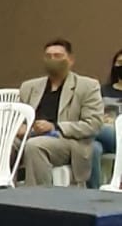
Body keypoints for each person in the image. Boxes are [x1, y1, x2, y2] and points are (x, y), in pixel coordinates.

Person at [18, 39, 104, 187]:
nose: (52, 60)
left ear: (70, 60)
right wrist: (19, 128)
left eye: (58, 56)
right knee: (1, 145)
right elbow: (19, 118)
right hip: (31, 134)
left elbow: (93, 124)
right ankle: (0, 189)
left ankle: (39, 196)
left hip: (67, 140)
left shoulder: (87, 86)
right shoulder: (29, 87)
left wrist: (55, 126)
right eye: (48, 56)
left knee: (35, 146)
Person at [90, 48, 122, 189]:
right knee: (92, 148)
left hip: (118, 135)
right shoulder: (102, 90)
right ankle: (94, 192)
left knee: (92, 128)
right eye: (119, 63)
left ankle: (64, 133)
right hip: (103, 134)